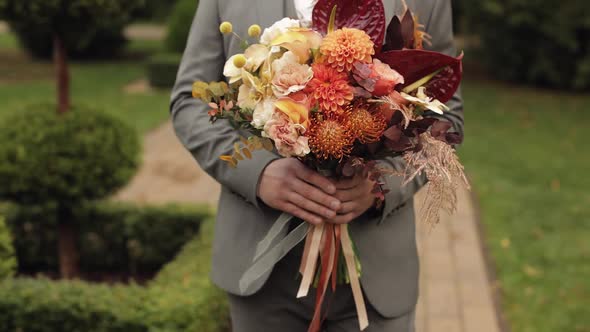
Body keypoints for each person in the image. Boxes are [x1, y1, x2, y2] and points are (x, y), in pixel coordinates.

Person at [170, 0, 463, 331]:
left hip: (377, 275)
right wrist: (257, 172)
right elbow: (190, 103)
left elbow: (446, 119)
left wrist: (381, 184)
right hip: (262, 272)